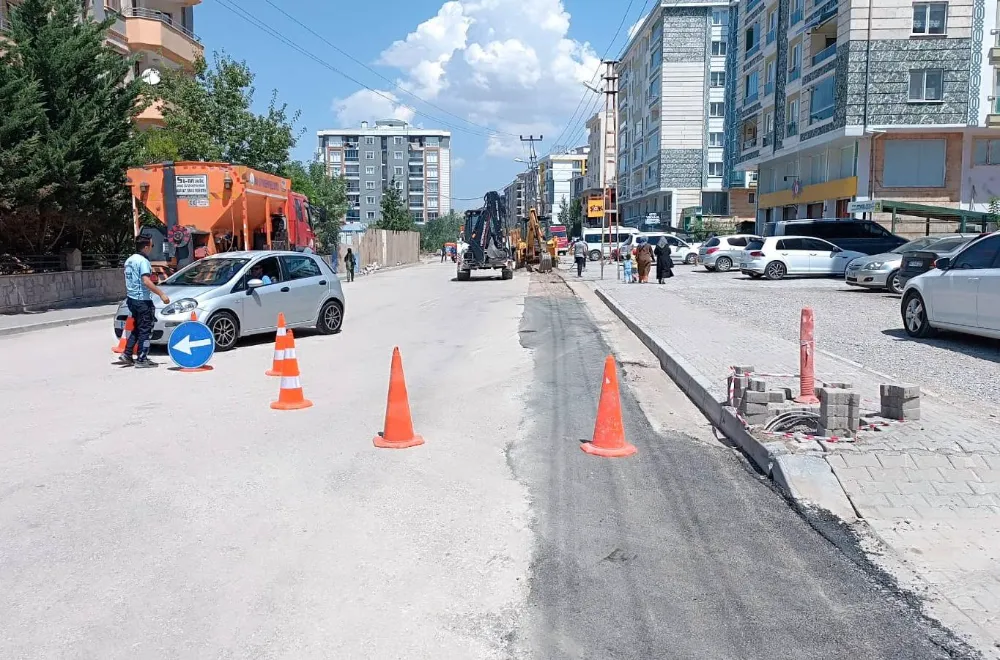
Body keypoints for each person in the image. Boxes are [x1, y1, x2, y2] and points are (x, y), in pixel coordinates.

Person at [119, 236, 169, 368]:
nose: (151, 249)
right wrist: (161, 294)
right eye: (151, 246)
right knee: (146, 329)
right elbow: (146, 281)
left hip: (132, 299)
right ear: (146, 247)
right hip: (142, 300)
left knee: (137, 328)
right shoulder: (143, 261)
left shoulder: (129, 260)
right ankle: (142, 359)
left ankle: (127, 354)